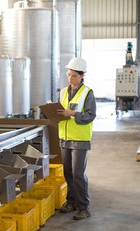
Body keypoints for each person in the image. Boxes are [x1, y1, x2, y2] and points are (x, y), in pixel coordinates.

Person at [56, 57, 96, 220]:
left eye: (74, 75)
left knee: (78, 173)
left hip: (79, 139)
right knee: (68, 172)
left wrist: (72, 114)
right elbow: (60, 110)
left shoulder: (88, 93)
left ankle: (83, 207)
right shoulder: (63, 91)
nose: (70, 78)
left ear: (81, 76)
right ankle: (71, 202)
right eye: (69, 74)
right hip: (65, 137)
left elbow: (90, 115)